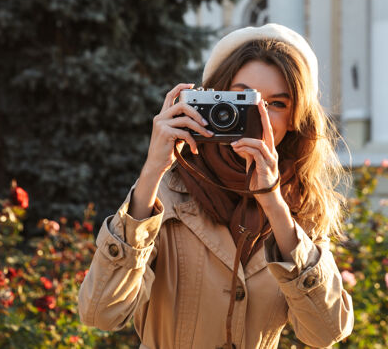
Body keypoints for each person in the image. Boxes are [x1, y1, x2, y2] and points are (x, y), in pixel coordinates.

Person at [78, 23, 354, 349]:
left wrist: (274, 204)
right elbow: (100, 314)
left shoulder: (299, 208)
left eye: (276, 104)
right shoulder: (165, 195)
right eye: (241, 99)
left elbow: (326, 332)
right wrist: (152, 170)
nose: (257, 115)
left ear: (296, 120)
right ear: (211, 101)